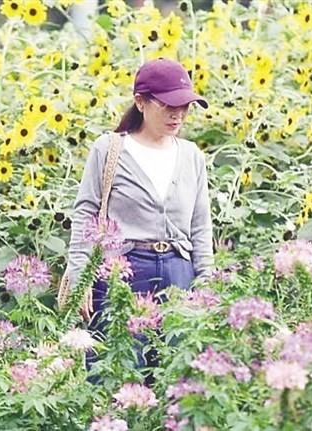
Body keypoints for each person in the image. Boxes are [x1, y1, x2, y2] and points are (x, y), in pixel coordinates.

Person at [62, 57, 214, 384]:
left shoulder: (192, 156)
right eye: (168, 105)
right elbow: (86, 214)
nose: (178, 114)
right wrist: (79, 276)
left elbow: (201, 226)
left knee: (176, 379)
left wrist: (207, 283)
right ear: (140, 102)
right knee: (115, 376)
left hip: (179, 273)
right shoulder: (109, 149)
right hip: (122, 273)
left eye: (185, 106)